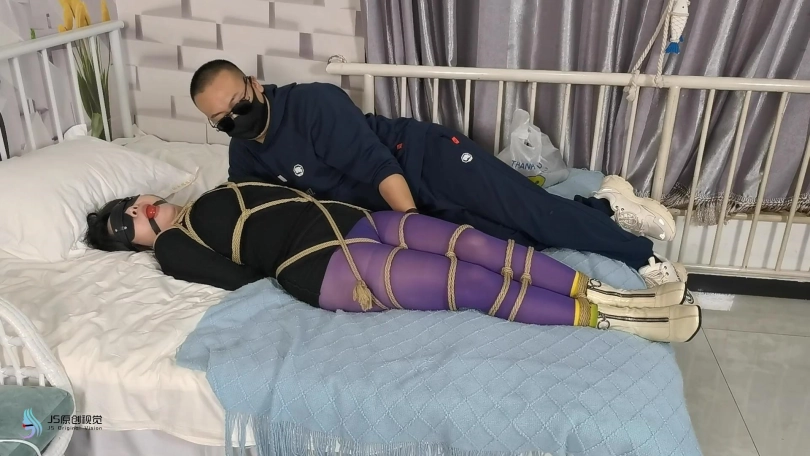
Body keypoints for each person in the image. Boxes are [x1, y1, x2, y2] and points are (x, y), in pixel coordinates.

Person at [188, 60, 684, 288]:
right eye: (221, 120)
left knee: (534, 214)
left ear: (255, 84)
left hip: (424, 161)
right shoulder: (245, 155)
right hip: (392, 205)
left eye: (239, 104)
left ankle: (641, 255)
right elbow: (247, 206)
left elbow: (378, 167)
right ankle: (601, 207)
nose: (235, 120)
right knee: (516, 241)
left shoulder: (313, 105)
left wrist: (413, 231)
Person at [84, 179, 701, 343]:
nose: (141, 209)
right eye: (127, 221)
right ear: (134, 241)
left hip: (351, 218)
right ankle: (613, 320)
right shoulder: (173, 245)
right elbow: (239, 279)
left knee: (478, 244)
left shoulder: (213, 190)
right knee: (468, 282)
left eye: (132, 203)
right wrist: (164, 240)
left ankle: (607, 292)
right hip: (316, 263)